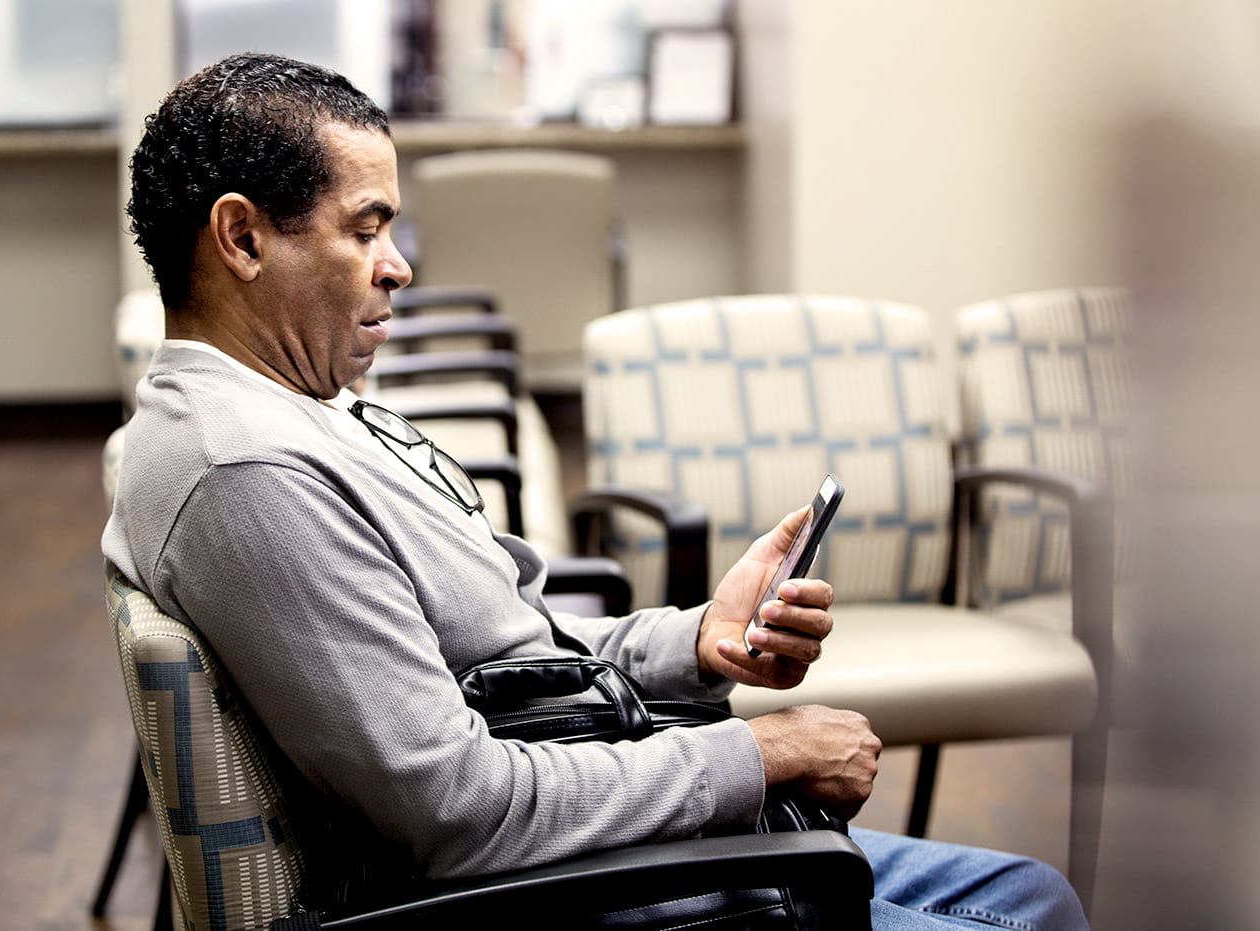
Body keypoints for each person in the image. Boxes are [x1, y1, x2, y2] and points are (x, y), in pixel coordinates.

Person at [103, 52, 1088, 929]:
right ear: (240, 238)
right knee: (1026, 906)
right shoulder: (250, 473)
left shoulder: (288, 418)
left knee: (1034, 894)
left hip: (590, 837)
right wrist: (759, 755)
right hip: (563, 890)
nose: (396, 267)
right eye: (366, 228)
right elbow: (464, 812)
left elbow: (508, 655)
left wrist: (695, 638)